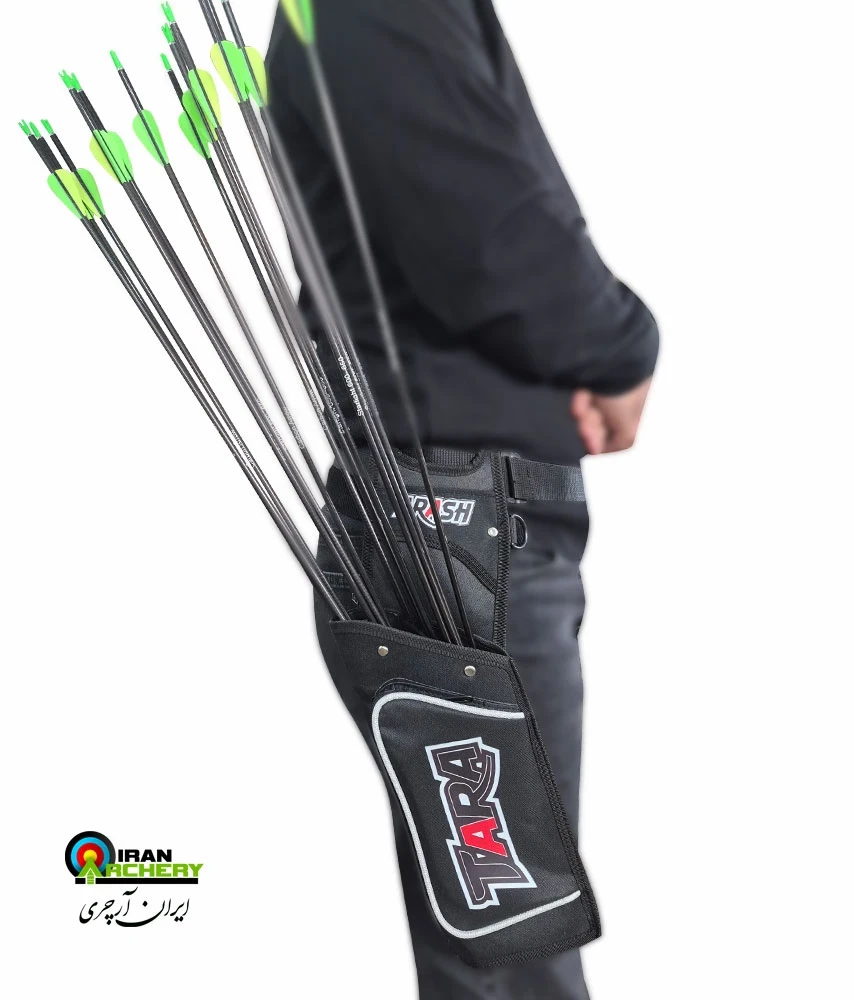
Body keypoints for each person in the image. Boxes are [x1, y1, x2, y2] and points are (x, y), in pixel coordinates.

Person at [268, 1, 658, 996]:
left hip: (462, 528)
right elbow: (489, 235)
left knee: (501, 951)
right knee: (510, 957)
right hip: (458, 533)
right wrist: (619, 348)